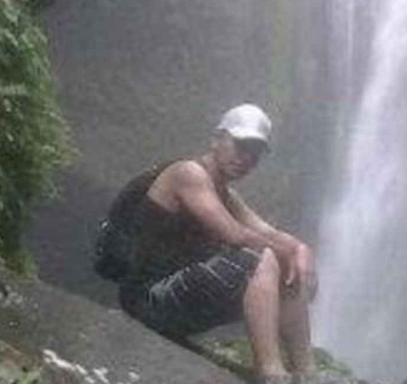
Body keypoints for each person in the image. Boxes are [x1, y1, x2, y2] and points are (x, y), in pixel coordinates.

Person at [119, 104, 318, 383]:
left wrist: (301, 250)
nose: (246, 158)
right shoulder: (187, 173)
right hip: (147, 299)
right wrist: (288, 252)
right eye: (240, 145)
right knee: (261, 258)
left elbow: (269, 231)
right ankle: (271, 372)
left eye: (255, 152)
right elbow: (236, 235)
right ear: (216, 139)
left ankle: (307, 372)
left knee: (288, 265)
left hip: (176, 301)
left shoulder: (226, 194)